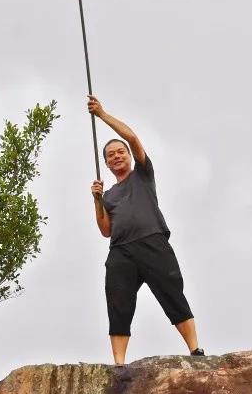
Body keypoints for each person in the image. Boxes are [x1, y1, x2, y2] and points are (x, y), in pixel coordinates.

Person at [87, 94, 204, 365]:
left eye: (120, 152)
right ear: (106, 164)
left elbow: (133, 138)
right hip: (121, 250)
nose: (116, 157)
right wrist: (97, 200)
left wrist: (102, 114)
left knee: (171, 291)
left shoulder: (142, 173)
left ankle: (195, 349)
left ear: (128, 155)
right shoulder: (110, 195)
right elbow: (106, 230)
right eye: (110, 156)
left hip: (152, 240)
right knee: (118, 301)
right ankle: (119, 363)